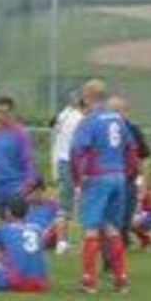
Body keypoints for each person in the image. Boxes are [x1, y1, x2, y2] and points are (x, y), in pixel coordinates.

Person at [71, 79, 134, 293]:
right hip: (118, 177)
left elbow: (78, 152)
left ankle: (89, 280)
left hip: (97, 178)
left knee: (91, 229)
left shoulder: (89, 120)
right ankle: (121, 278)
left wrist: (78, 180)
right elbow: (130, 148)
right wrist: (128, 174)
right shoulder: (117, 118)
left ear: (87, 96)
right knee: (111, 227)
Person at [107, 95, 151, 248]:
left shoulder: (133, 130)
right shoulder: (102, 129)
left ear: (125, 112)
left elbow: (144, 157)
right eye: (110, 110)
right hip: (106, 179)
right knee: (107, 218)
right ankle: (111, 249)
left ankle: (121, 244)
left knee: (125, 219)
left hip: (128, 181)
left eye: (116, 111)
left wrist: (143, 182)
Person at [0, 96, 40, 218]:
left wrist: (28, 185)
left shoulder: (20, 133)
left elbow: (29, 160)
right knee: (3, 225)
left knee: (15, 225)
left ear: (11, 112)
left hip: (15, 187)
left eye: (3, 112)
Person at [50, 91, 84, 254]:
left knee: (65, 203)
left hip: (61, 162)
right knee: (70, 204)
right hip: (72, 162)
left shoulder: (62, 114)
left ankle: (61, 240)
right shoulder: (79, 117)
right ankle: (62, 242)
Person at [25, 183, 61, 251]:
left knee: (59, 223)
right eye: (28, 194)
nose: (28, 196)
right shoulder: (25, 206)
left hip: (48, 234)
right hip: (31, 234)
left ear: (39, 192)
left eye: (31, 193)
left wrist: (48, 229)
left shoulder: (51, 204)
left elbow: (59, 218)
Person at [131, 184, 151, 250]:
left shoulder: (141, 190)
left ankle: (147, 239)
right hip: (142, 214)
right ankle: (144, 241)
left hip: (150, 216)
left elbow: (139, 207)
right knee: (126, 222)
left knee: (131, 222)